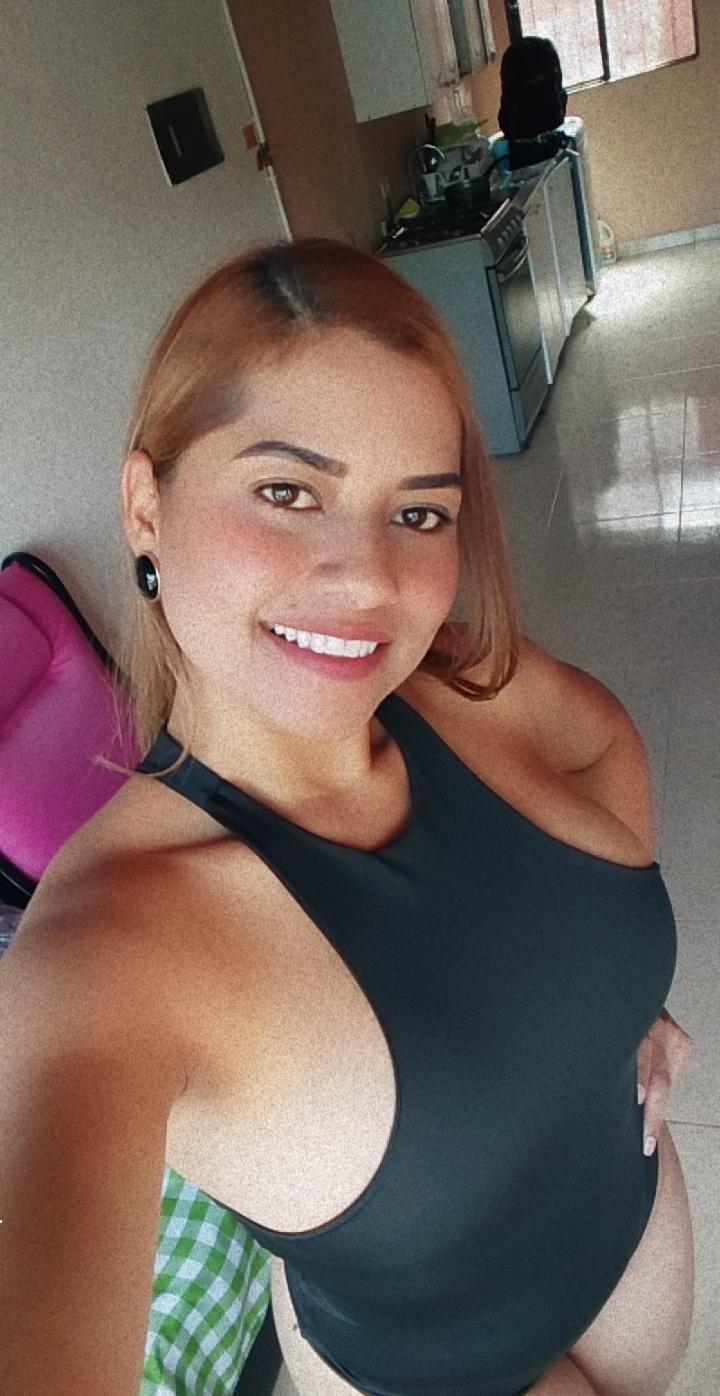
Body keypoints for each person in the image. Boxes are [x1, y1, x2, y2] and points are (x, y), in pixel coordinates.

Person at [0, 238, 694, 1396]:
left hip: (626, 1273)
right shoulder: (101, 956)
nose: (368, 577)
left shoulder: (455, 687)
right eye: (288, 492)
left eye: (418, 513)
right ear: (146, 507)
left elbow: (602, 741)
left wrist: (629, 1000)